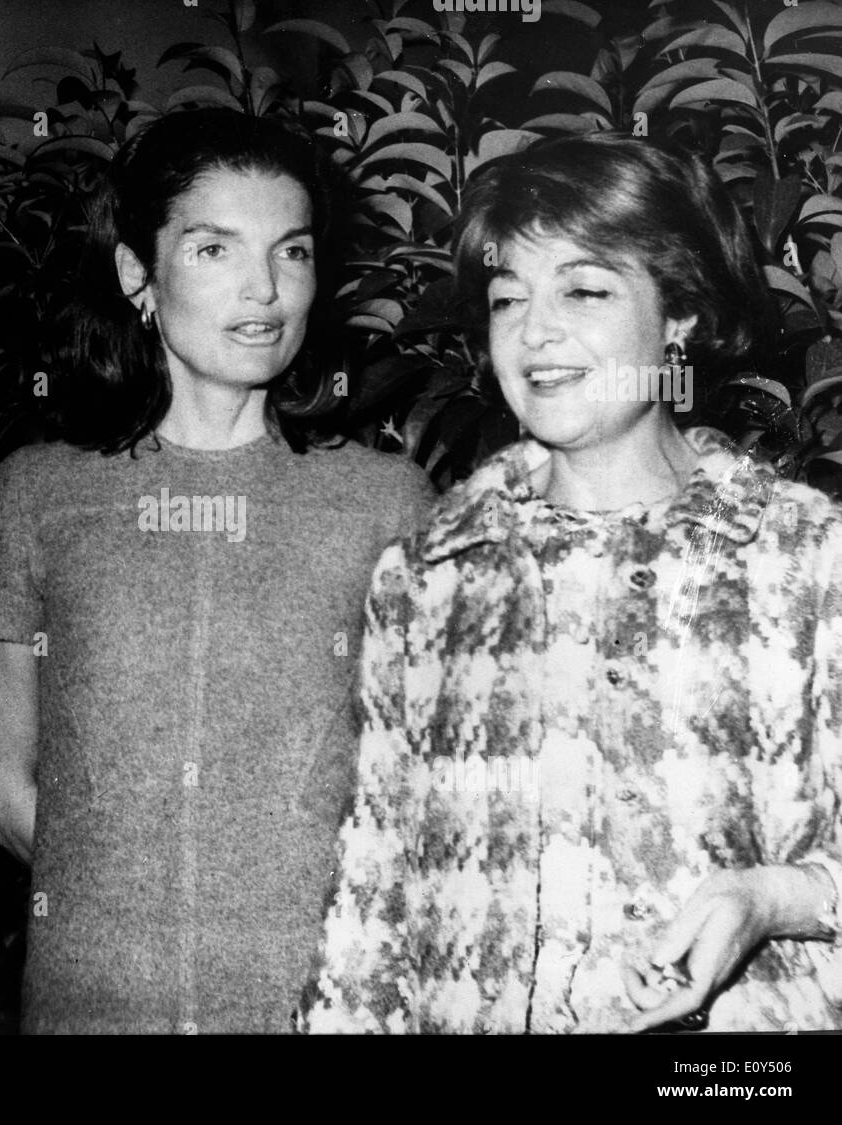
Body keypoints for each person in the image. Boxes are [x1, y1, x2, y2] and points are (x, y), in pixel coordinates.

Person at [300, 132, 842, 1034]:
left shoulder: (808, 559)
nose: (535, 331)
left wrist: (768, 898)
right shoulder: (426, 579)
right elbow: (375, 898)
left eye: (585, 290)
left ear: (682, 315)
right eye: (509, 299)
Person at [0, 108, 434, 1033]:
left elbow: (426, 783)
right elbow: (8, 794)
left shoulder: (388, 502)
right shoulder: (37, 494)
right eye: (216, 249)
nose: (265, 289)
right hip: (92, 1003)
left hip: (327, 1006)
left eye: (292, 253)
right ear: (139, 271)